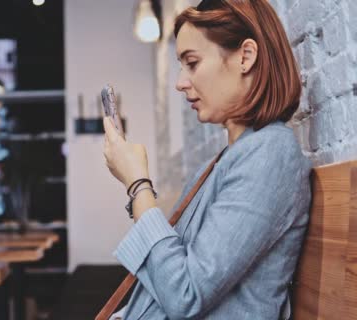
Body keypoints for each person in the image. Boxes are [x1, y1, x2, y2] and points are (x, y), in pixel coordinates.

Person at [103, 0, 311, 319]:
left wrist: (138, 185)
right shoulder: (222, 162)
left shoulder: (271, 153)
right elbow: (168, 283)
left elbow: (184, 296)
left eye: (192, 63)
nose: (180, 82)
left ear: (246, 56)